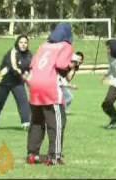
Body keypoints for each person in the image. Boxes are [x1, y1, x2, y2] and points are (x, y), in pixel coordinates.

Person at [25, 23, 75, 166]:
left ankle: (32, 154)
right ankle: (55, 156)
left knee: (36, 122)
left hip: (34, 85)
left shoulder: (44, 45)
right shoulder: (65, 46)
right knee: (57, 123)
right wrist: (72, 65)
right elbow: (61, 65)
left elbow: (33, 64)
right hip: (49, 87)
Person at [0, 35, 32, 129]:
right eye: (21, 42)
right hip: (4, 81)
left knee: (23, 101)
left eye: (25, 43)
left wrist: (29, 75)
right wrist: (24, 75)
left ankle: (26, 123)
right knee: (0, 102)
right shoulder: (13, 52)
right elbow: (14, 68)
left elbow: (30, 67)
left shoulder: (29, 54)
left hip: (17, 81)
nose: (23, 45)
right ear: (17, 43)